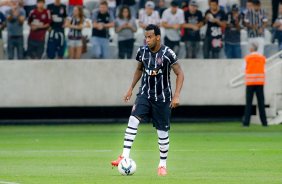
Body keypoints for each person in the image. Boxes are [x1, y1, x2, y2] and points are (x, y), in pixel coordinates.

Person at [111, 24, 184, 176]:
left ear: (158, 37)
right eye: (145, 37)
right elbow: (139, 69)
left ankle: (162, 165)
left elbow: (180, 74)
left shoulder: (167, 53)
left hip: (163, 98)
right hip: (144, 94)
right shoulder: (142, 52)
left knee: (162, 132)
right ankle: (124, 155)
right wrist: (131, 88)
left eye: (150, 37)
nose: (147, 40)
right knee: (133, 119)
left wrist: (176, 95)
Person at [243, 42, 268, 127]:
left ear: (251, 49)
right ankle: (264, 122)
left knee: (248, 103)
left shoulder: (247, 58)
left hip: (250, 83)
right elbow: (264, 70)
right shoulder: (262, 58)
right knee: (261, 103)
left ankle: (246, 123)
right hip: (260, 83)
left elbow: (243, 69)